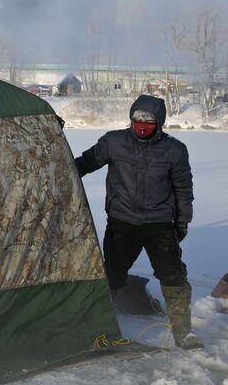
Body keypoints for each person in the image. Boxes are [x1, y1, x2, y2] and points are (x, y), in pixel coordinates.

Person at [74, 93, 201, 349]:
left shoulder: (174, 150)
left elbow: (183, 189)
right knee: (112, 275)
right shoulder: (113, 142)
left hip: (160, 224)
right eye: (137, 119)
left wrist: (182, 221)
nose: (142, 124)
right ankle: (98, 328)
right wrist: (57, 171)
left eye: (149, 120)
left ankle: (183, 333)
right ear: (130, 119)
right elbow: (84, 164)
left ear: (160, 122)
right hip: (123, 222)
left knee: (174, 276)